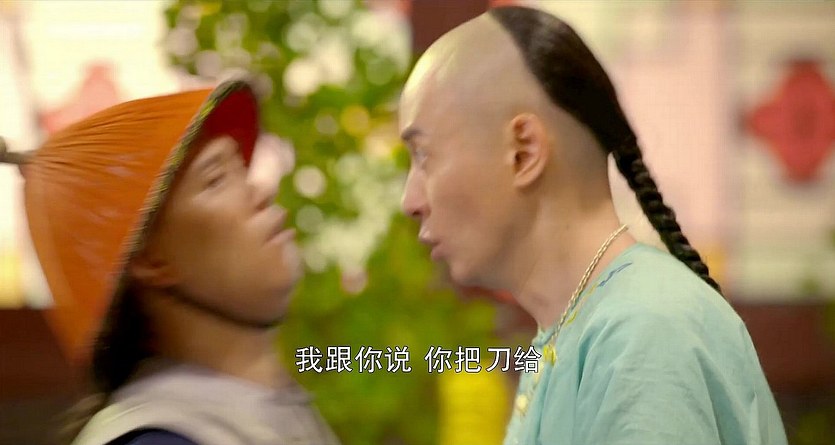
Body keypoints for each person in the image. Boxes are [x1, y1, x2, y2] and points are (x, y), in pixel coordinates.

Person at [398, 6, 787, 445]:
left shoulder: (644, 331)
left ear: (523, 152)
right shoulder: (579, 326)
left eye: (424, 156)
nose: (410, 201)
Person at [0, 80, 339, 445]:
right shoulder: (160, 438)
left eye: (243, 170)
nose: (262, 192)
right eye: (216, 180)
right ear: (151, 261)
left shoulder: (264, 406)